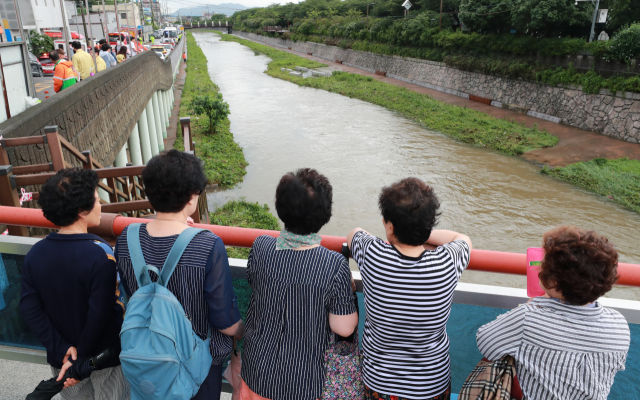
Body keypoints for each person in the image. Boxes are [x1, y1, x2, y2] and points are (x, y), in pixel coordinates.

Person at [115, 149, 243, 400]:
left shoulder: (126, 239)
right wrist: (245, 331)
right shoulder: (207, 245)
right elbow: (225, 322)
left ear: (149, 193)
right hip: (196, 366)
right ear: (192, 197)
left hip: (143, 357)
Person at [347, 177, 472, 400]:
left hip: (380, 383)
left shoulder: (374, 255)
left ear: (390, 226)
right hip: (431, 386)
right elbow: (462, 239)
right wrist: (422, 231)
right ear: (429, 224)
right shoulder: (446, 263)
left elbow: (354, 233)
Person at [241, 168, 358, 400]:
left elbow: (254, 282)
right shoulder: (334, 264)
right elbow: (344, 328)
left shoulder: (261, 246)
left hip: (257, 371)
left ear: (280, 207)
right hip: (304, 382)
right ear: (325, 214)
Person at [476, 226, 630, 400]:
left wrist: (532, 306)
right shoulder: (619, 324)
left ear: (552, 281)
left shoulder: (528, 318)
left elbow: (486, 343)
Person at [20, 168, 129, 399]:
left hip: (62, 359)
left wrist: (63, 351)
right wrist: (81, 357)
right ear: (82, 210)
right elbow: (100, 313)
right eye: (98, 200)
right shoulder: (100, 254)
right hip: (102, 358)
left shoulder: (35, 254)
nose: (100, 206)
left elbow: (30, 308)